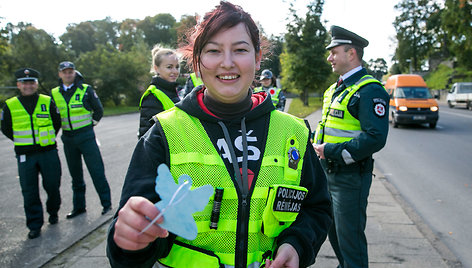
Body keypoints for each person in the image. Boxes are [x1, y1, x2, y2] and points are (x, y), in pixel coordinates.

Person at [107, 2, 332, 268]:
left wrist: (296, 245)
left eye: (240, 50)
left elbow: (317, 208)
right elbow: (130, 242)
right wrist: (129, 241)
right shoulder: (163, 133)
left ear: (258, 58)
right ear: (197, 62)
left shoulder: (293, 133)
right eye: (213, 51)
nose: (227, 63)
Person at [313, 25, 389, 268]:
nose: (329, 57)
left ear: (351, 53)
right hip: (328, 174)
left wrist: (331, 151)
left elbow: (375, 137)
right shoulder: (335, 89)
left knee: (351, 242)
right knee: (335, 236)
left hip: (349, 178)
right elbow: (329, 127)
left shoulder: (369, 90)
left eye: (334, 52)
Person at [1, 68, 62, 239]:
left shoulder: (47, 101)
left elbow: (56, 122)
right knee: (29, 191)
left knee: (52, 186)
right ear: (18, 85)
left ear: (36, 84)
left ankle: (53, 211)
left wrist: (46, 138)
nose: (28, 86)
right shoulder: (10, 105)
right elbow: (5, 128)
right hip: (25, 155)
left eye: (31, 82)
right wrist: (24, 141)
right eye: (24, 83)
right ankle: (34, 225)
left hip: (48, 152)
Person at [51, 61, 112, 219]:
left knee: (97, 171)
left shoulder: (85, 90)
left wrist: (90, 125)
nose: (68, 74)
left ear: (74, 72)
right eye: (64, 72)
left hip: (86, 137)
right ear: (60, 74)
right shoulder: (55, 93)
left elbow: (98, 110)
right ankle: (79, 207)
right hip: (68, 139)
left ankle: (106, 204)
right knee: (75, 175)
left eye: (70, 71)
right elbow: (54, 117)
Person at [138, 46, 182, 138]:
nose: (175, 71)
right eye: (169, 67)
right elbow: (147, 136)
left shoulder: (175, 91)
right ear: (156, 68)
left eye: (177, 67)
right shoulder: (152, 96)